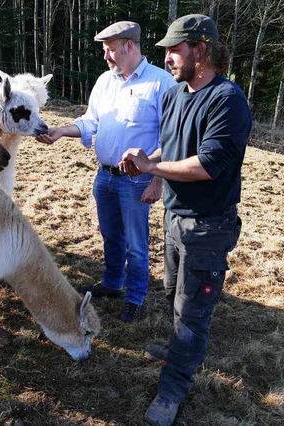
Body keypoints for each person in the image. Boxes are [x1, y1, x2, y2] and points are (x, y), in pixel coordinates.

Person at [119, 14, 252, 425]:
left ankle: (173, 388)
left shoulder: (227, 99)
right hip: (175, 217)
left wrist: (152, 170)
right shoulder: (176, 93)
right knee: (174, 295)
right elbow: (171, 146)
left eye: (176, 49)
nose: (169, 58)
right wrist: (148, 161)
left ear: (202, 48)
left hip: (208, 227)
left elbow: (207, 165)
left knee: (193, 313)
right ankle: (179, 349)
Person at [36, 21, 176, 322]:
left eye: (110, 50)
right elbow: (90, 122)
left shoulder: (161, 83)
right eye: (104, 50)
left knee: (137, 245)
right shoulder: (105, 81)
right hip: (104, 177)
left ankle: (136, 296)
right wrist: (62, 130)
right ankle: (113, 283)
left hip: (137, 180)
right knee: (111, 236)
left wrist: (157, 179)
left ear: (129, 46)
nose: (106, 56)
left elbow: (172, 138)